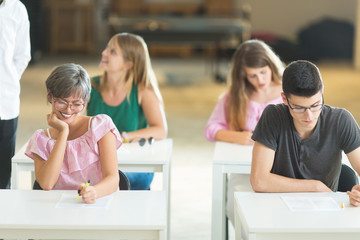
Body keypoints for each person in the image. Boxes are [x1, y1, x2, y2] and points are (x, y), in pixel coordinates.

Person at [250, 60, 360, 207]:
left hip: (326, 212)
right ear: (284, 99)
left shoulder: (341, 120)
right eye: (299, 108)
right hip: (278, 208)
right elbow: (259, 181)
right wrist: (314, 187)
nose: (309, 116)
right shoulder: (273, 116)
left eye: (315, 105)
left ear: (322, 93)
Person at [203, 39, 285, 224]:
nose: (260, 80)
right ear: (243, 76)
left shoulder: (287, 91)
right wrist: (237, 136)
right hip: (244, 166)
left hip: (282, 167)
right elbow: (210, 129)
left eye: (263, 72)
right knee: (236, 205)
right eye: (252, 76)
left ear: (272, 66)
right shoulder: (236, 96)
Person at [25, 63, 121, 203]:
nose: (68, 110)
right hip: (56, 212)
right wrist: (63, 132)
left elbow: (113, 178)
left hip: (98, 204)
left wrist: (94, 192)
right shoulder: (41, 139)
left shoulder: (100, 126)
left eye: (76, 104)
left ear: (86, 101)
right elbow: (46, 184)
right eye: (62, 102)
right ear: (50, 97)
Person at [87, 32, 167, 190]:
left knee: (112, 178)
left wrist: (126, 137)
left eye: (112, 51)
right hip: (98, 161)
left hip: (134, 164)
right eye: (106, 48)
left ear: (128, 64)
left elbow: (160, 130)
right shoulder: (90, 86)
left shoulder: (143, 90)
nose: (103, 53)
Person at [0, 0, 31, 189]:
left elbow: (22, 55)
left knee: (3, 171)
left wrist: (8, 79)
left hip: (6, 101)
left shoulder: (17, 9)